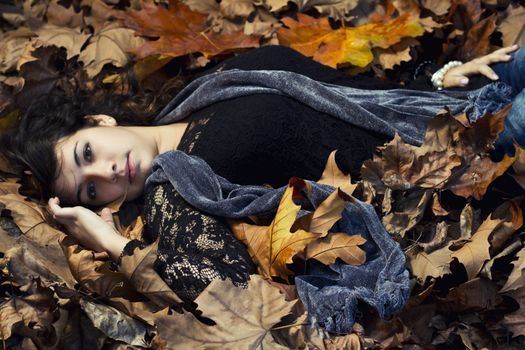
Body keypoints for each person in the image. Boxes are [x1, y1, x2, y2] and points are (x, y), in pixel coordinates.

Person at [1, 44, 523, 326]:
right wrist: (112, 242)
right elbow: (219, 288)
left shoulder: (210, 87)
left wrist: (438, 76)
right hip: (469, 163)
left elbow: (341, 84)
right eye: (90, 191)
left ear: (99, 121)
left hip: (465, 103)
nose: (105, 173)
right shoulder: (175, 189)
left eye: (86, 154)